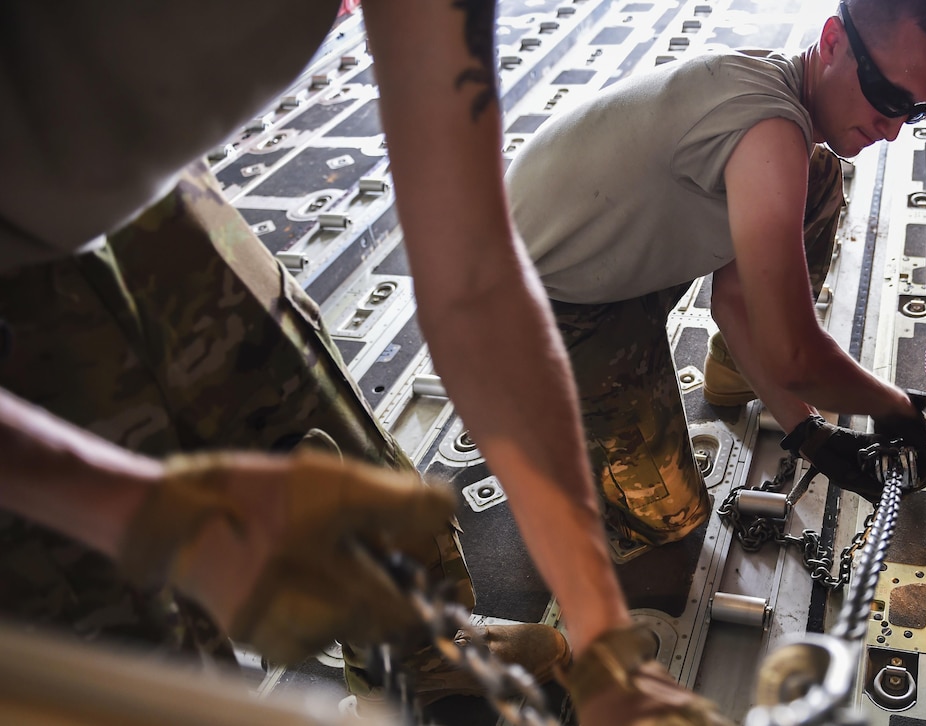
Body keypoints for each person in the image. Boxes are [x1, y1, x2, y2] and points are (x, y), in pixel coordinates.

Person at [0, 0, 729, 723]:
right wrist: (127, 503)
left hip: (149, 191)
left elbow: (478, 282)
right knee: (131, 649)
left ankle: (421, 659)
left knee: (346, 470)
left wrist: (598, 626)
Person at [505, 0, 926, 545]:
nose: (891, 131)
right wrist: (896, 410)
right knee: (668, 518)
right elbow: (795, 357)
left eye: (915, 111)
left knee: (817, 176)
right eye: (888, 97)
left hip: (598, 255)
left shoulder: (772, 88)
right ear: (832, 43)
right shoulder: (768, 130)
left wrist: (806, 432)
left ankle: (736, 374)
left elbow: (735, 301)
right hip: (538, 312)